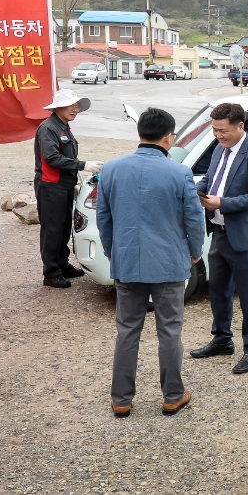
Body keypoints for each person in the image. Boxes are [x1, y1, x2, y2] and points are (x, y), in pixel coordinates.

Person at [96, 107, 205, 417]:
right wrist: (195, 251)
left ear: (140, 133)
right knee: (170, 331)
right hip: (169, 263)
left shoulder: (113, 169)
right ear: (169, 137)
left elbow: (104, 217)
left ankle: (121, 399)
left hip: (127, 260)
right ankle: (172, 395)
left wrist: (112, 250)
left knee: (127, 330)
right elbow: (194, 218)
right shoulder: (180, 172)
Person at [190, 102, 248, 374]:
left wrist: (221, 203)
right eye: (214, 130)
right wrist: (198, 190)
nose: (218, 135)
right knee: (218, 290)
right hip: (219, 232)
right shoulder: (219, 149)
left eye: (223, 130)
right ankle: (222, 339)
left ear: (240, 126)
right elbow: (211, 180)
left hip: (244, 236)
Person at [35, 89, 104, 289]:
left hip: (63, 185)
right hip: (50, 186)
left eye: (77, 106)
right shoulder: (48, 128)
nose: (75, 109)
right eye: (71, 105)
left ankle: (62, 264)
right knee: (52, 229)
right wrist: (83, 165)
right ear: (58, 107)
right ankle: (51, 273)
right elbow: (51, 158)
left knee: (65, 227)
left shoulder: (63, 127)